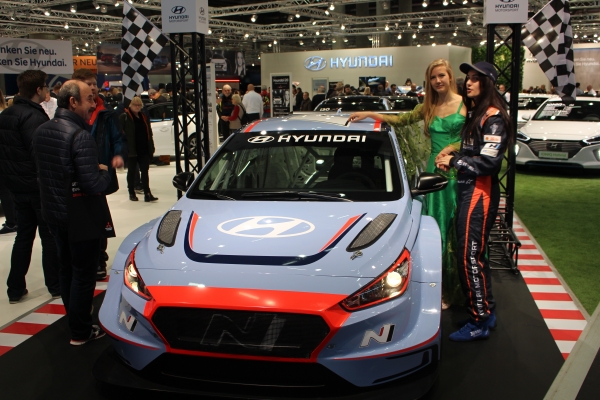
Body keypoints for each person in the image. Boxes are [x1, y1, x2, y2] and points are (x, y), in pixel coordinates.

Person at [348, 59, 467, 310]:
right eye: (433, 77)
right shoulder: (428, 106)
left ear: (449, 76)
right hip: (435, 174)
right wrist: (369, 114)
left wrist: (452, 149)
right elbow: (401, 121)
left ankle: (463, 287)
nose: (438, 81)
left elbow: (473, 138)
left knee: (459, 231)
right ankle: (439, 289)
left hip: (459, 171)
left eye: (441, 75)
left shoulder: (465, 103)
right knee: (437, 232)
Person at [435, 61, 511, 341]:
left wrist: (454, 161)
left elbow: (489, 163)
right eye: (468, 78)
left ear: (487, 83)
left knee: (470, 257)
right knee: (473, 256)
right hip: (469, 191)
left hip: (480, 194)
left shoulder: (493, 117)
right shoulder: (477, 114)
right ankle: (485, 313)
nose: (468, 83)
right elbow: (471, 154)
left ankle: (479, 320)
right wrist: (454, 157)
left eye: (476, 78)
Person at [33, 80, 110, 345]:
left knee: (66, 269)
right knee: (83, 275)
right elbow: (92, 184)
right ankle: (81, 331)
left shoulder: (42, 131)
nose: (93, 104)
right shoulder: (80, 136)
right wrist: (104, 172)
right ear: (73, 102)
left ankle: (74, 322)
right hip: (80, 216)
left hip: (53, 213)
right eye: (89, 99)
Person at [0, 70, 60, 303]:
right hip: (37, 187)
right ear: (38, 90)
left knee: (23, 237)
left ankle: (15, 288)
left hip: (17, 188)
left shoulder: (7, 114)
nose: (47, 90)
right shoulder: (34, 117)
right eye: (45, 86)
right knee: (49, 237)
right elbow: (40, 155)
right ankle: (55, 284)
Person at [72, 68, 124, 281]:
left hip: (99, 173)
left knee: (100, 217)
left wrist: (118, 154)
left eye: (94, 83)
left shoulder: (106, 113)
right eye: (88, 83)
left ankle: (100, 259)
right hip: (75, 175)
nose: (93, 87)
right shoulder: (70, 113)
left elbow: (118, 138)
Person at [119, 96, 158, 203]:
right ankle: (131, 192)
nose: (137, 107)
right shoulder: (125, 117)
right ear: (130, 105)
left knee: (145, 171)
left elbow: (149, 133)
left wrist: (151, 147)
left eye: (139, 105)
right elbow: (119, 133)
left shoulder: (143, 117)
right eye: (135, 105)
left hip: (143, 148)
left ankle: (147, 193)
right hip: (131, 149)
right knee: (132, 171)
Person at [0, 88, 18, 236]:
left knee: (4, 190)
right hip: (9, 156)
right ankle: (14, 220)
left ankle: (12, 222)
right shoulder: (5, 112)